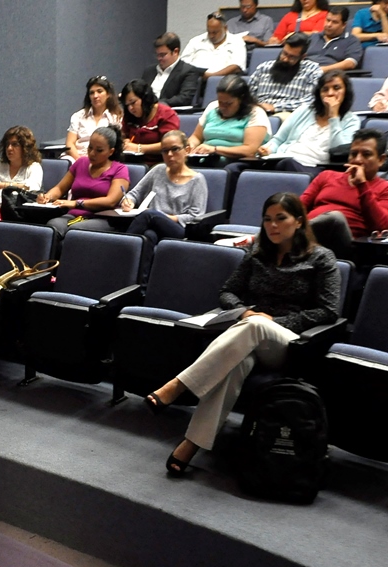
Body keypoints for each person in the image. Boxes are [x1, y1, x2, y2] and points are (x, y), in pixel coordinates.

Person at [145, 192, 339, 476]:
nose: (273, 225)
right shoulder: (258, 252)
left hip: (290, 342)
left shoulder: (321, 258)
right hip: (248, 335)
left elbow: (329, 311)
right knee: (236, 365)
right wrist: (244, 311)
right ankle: (191, 444)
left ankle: (178, 385)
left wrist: (277, 320)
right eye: (268, 219)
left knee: (256, 325)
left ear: (298, 221)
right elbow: (228, 291)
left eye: (281, 218)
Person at [300, 128, 388, 256]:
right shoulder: (327, 176)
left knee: (335, 219)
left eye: (366, 154)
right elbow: (298, 207)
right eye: (353, 154)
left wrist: (362, 185)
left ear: (381, 160)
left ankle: (292, 235)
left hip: (346, 247)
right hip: (311, 240)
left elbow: (381, 226)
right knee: (283, 208)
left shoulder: (385, 188)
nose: (357, 160)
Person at [120, 130, 208, 254]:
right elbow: (135, 193)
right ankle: (140, 266)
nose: (170, 154)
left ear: (187, 150)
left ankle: (121, 251)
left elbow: (195, 216)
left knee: (149, 214)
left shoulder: (197, 180)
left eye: (175, 149)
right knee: (149, 235)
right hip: (153, 226)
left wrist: (164, 217)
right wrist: (128, 201)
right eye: (165, 151)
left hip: (179, 229)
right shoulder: (158, 170)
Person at [255, 70, 361, 172]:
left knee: (287, 164)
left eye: (336, 88)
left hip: (317, 168)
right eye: (325, 89)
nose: (330, 93)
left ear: (346, 91)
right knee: (247, 167)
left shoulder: (352, 121)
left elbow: (340, 153)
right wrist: (268, 149)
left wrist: (334, 117)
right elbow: (278, 140)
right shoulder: (304, 110)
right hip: (284, 160)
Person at [36, 125, 129, 237]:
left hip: (101, 218)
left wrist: (77, 203)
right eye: (90, 147)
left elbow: (111, 201)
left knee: (76, 230)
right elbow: (60, 188)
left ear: (111, 151)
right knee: (53, 226)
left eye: (99, 150)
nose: (92, 153)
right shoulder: (81, 163)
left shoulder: (119, 169)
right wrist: (48, 196)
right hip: (74, 216)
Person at [187, 74, 271, 161]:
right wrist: (192, 145)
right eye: (220, 102)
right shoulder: (212, 106)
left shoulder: (255, 113)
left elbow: (249, 150)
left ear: (241, 99)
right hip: (206, 159)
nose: (223, 107)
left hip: (237, 162)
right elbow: (196, 137)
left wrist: (215, 150)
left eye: (228, 104)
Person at [250, 33, 323, 122]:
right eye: (284, 53)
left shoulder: (312, 70)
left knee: (275, 120)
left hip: (288, 114)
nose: (285, 59)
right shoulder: (264, 67)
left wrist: (275, 107)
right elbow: (249, 93)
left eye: (292, 57)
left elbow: (312, 100)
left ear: (302, 57)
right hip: (259, 110)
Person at [120, 80, 180, 165]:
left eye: (133, 103)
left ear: (145, 98)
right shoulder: (129, 115)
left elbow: (170, 144)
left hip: (159, 164)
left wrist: (140, 148)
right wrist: (124, 141)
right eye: (127, 105)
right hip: (132, 162)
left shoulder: (166, 114)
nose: (130, 108)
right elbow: (123, 135)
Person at [63, 76, 122, 162]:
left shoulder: (116, 118)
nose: (95, 96)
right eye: (92, 93)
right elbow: (69, 143)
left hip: (102, 159)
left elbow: (116, 146)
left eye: (99, 91)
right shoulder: (78, 116)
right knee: (65, 161)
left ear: (108, 94)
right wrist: (81, 161)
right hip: (78, 157)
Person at [142, 33, 203, 108]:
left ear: (175, 52)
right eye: (157, 55)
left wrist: (158, 104)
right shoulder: (149, 71)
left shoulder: (188, 71)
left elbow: (184, 98)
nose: (159, 58)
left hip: (168, 111)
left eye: (162, 55)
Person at [181, 11, 248, 78]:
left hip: (223, 80)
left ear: (225, 28)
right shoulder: (195, 41)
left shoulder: (237, 42)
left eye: (215, 32)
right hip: (195, 79)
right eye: (209, 31)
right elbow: (183, 63)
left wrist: (211, 77)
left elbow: (236, 66)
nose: (211, 36)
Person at [307, 8, 362, 72]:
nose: (329, 25)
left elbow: (350, 63)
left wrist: (322, 70)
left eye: (335, 22)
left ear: (343, 25)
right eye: (328, 20)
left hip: (330, 74)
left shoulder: (352, 41)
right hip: (305, 71)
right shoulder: (314, 36)